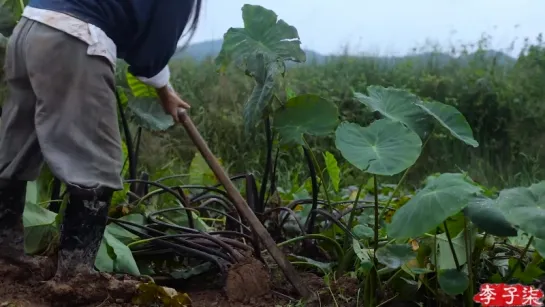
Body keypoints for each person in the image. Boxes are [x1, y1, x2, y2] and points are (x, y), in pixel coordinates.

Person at [0, 0, 202, 284]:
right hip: (72, 37)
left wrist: (165, 90)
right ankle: (75, 277)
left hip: (30, 29)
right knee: (93, 163)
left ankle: (5, 254)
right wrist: (160, 82)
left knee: (16, 145)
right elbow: (151, 52)